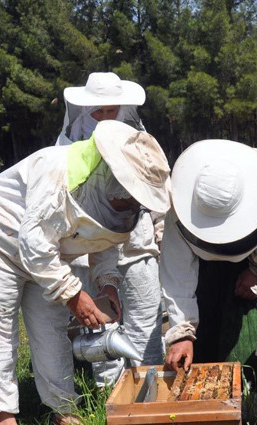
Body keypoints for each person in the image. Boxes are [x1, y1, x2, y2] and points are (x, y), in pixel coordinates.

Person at [0, 120, 171, 425]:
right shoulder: (58, 174)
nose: (134, 205)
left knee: (52, 328)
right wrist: (74, 295)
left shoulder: (118, 199)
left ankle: (62, 408)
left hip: (48, 249)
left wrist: (107, 284)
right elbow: (33, 241)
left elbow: (106, 240)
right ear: (114, 176)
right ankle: (3, 418)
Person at [56, 72, 164, 385]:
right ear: (84, 110)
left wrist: (158, 231)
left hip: (136, 246)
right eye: (97, 112)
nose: (104, 117)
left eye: (111, 110)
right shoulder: (68, 145)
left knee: (145, 320)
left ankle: (150, 389)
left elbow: (154, 191)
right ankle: (110, 394)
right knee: (102, 324)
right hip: (89, 249)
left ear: (124, 108)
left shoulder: (139, 140)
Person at [160, 140, 257, 375]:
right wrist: (182, 332)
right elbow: (178, 272)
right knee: (207, 329)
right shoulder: (180, 206)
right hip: (206, 266)